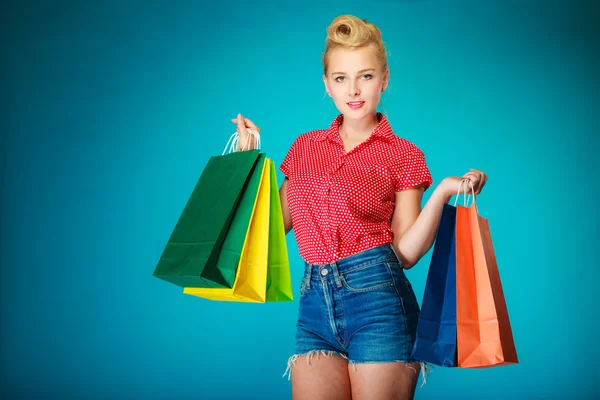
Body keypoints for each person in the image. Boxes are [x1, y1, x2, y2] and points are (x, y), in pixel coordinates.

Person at [230, 14, 487, 400]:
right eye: (341, 78)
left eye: (365, 76)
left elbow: (407, 252)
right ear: (327, 85)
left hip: (379, 303)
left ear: (384, 79)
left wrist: (444, 192)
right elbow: (268, 228)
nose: (353, 89)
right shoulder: (304, 148)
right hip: (314, 305)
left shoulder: (404, 155)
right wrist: (245, 161)